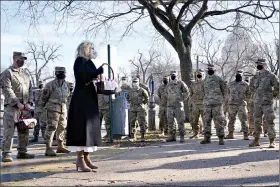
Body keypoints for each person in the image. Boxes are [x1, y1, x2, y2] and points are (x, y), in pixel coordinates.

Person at [66, 41, 104, 172]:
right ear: (85, 49)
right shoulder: (79, 61)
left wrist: (98, 73)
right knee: (82, 127)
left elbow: (91, 75)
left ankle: (87, 158)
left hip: (89, 96)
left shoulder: (88, 62)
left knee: (90, 128)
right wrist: (96, 72)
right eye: (91, 48)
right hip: (81, 98)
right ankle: (80, 160)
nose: (93, 50)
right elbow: (82, 77)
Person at [1, 52, 35, 162]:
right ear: (15, 58)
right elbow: (7, 89)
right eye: (21, 58)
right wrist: (17, 103)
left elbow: (30, 89)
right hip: (12, 108)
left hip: (24, 108)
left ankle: (22, 152)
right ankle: (6, 153)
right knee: (9, 132)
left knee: (24, 131)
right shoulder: (7, 73)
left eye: (24, 59)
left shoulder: (25, 74)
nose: (23, 61)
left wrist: (29, 103)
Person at [38, 67, 71, 156]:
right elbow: (43, 98)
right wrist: (40, 109)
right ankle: (48, 148)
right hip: (53, 108)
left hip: (63, 108)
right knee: (51, 128)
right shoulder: (50, 85)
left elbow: (68, 96)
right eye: (59, 72)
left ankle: (60, 146)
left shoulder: (67, 85)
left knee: (62, 127)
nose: (61, 74)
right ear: (56, 73)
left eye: (63, 72)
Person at [249, 59, 279, 148]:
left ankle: (272, 140)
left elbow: (277, 86)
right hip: (257, 103)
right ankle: (256, 140)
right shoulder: (255, 77)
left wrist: (273, 95)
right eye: (257, 64)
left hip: (267, 103)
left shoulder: (271, 76)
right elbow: (251, 88)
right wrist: (254, 96)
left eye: (260, 64)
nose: (259, 65)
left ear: (264, 65)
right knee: (256, 122)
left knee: (269, 121)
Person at [200, 64, 227, 145]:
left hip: (217, 104)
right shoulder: (205, 80)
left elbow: (225, 90)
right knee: (206, 121)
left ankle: (221, 138)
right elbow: (203, 91)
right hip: (207, 104)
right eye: (208, 69)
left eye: (211, 69)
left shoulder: (219, 79)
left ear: (214, 70)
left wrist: (223, 101)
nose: (209, 70)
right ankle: (207, 138)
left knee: (219, 121)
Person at [225, 70, 250, 140]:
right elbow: (227, 93)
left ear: (242, 76)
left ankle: (245, 134)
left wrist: (247, 102)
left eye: (240, 74)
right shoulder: (230, 84)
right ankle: (230, 134)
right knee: (231, 119)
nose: (238, 75)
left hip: (242, 104)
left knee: (244, 120)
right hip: (232, 104)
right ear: (235, 75)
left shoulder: (246, 84)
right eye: (237, 74)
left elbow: (249, 94)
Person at [165, 70, 189, 142]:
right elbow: (166, 93)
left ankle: (182, 136)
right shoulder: (168, 85)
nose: (173, 76)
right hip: (170, 105)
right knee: (170, 122)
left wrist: (182, 99)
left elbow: (187, 92)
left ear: (177, 75)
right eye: (171, 75)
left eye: (174, 75)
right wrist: (169, 98)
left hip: (178, 106)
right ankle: (172, 136)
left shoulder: (181, 83)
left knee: (180, 121)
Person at [127, 78, 149, 142]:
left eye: (136, 82)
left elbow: (147, 98)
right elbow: (127, 98)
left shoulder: (142, 90)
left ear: (138, 82)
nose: (135, 83)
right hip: (132, 108)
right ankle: (133, 137)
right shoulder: (130, 91)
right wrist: (130, 103)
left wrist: (143, 104)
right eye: (133, 82)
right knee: (132, 122)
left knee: (141, 122)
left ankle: (142, 136)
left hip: (140, 108)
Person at [189, 69, 205, 139]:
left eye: (200, 74)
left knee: (206, 120)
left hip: (203, 104)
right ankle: (196, 133)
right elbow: (190, 94)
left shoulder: (205, 83)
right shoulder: (193, 84)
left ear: (203, 75)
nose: (199, 75)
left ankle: (206, 133)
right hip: (195, 104)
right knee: (195, 120)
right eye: (198, 74)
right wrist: (191, 103)